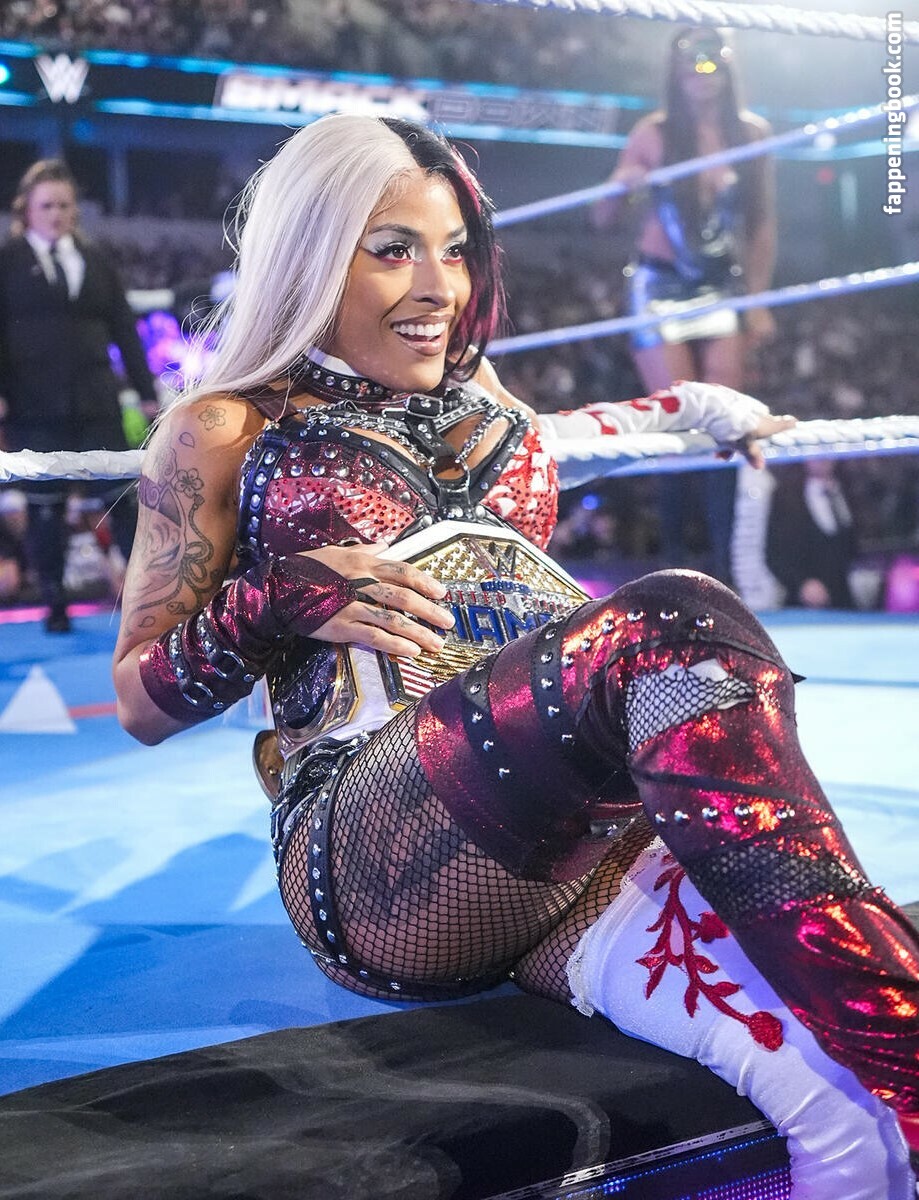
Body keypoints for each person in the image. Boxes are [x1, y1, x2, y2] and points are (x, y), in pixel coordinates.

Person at [113, 114, 917, 1195]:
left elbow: (586, 431)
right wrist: (270, 602)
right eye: (392, 249)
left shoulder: (484, 401)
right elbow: (139, 699)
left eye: (453, 251)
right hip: (379, 857)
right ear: (311, 255)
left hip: (557, 861)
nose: (436, 286)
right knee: (673, 628)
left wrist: (700, 407)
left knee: (843, 1108)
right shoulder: (224, 430)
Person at [593, 26, 777, 586]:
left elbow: (762, 223)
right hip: (660, 284)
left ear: (728, 67)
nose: (702, 73)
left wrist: (758, 301)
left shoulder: (750, 133)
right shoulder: (653, 132)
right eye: (691, 63)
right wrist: (622, 184)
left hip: (722, 283)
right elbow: (602, 218)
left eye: (712, 62)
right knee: (675, 411)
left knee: (726, 418)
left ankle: (725, 570)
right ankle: (673, 566)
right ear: (675, 72)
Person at [0, 159, 158, 632]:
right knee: (44, 508)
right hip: (33, 404)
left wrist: (146, 391)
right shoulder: (7, 262)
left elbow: (125, 329)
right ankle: (54, 602)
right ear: (26, 209)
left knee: (122, 498)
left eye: (64, 205)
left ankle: (143, 599)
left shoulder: (96, 260)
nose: (56, 214)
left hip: (95, 400)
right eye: (47, 205)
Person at [766, 458, 857, 609]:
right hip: (803, 604)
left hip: (845, 601)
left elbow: (853, 545)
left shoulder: (848, 489)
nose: (821, 459)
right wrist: (802, 584)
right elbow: (774, 553)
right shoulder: (786, 496)